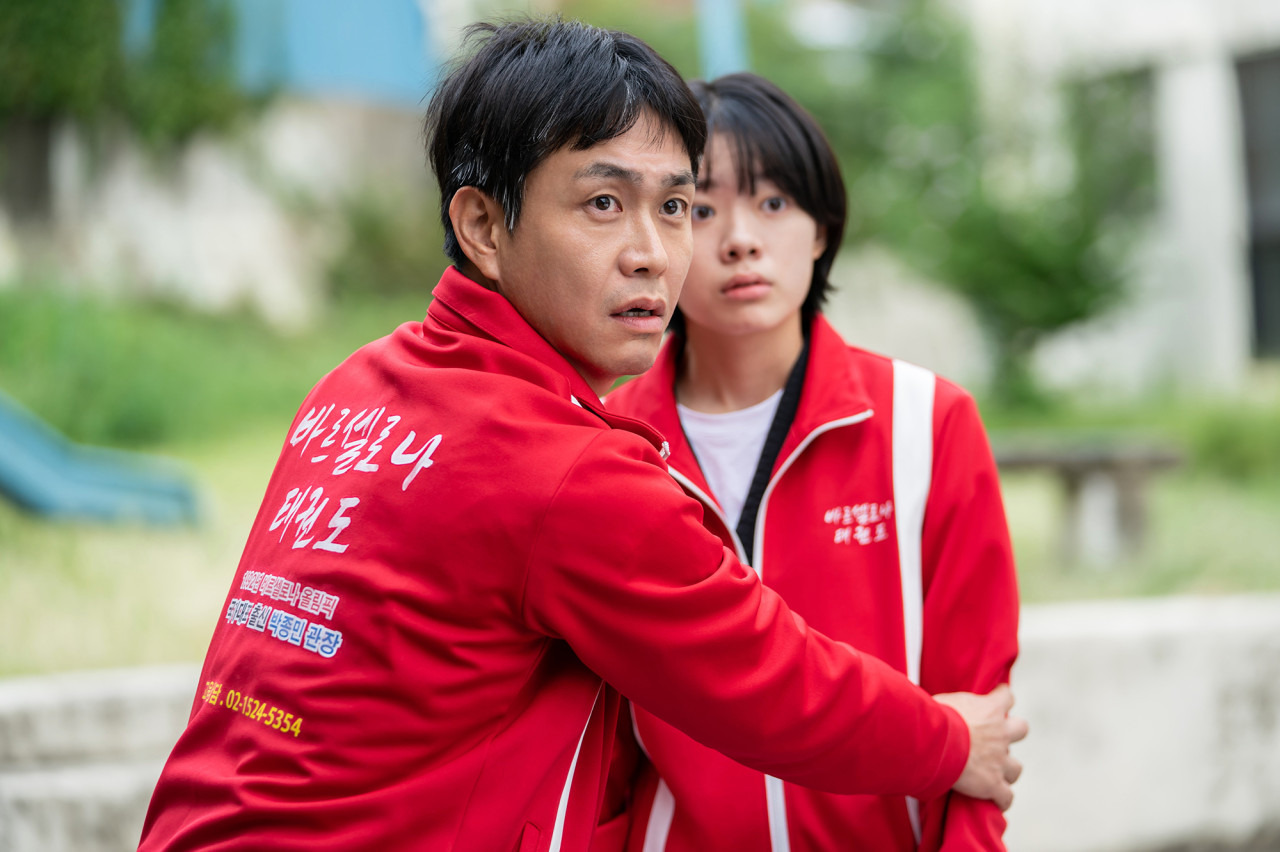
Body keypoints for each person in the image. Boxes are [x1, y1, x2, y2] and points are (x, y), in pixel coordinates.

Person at [137, 20, 1025, 852]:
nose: (653, 253)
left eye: (674, 207)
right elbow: (768, 681)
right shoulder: (565, 468)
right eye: (604, 202)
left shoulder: (356, 387)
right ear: (482, 226)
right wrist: (953, 743)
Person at [607, 72, 1021, 851]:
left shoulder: (927, 423)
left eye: (773, 203)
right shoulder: (609, 445)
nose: (739, 239)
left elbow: (980, 713)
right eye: (699, 209)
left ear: (822, 228)